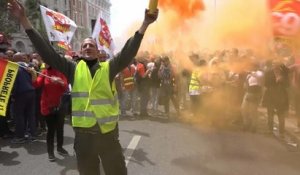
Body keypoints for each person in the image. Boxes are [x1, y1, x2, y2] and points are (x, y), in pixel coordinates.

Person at [8, 0, 158, 174]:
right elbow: (46, 52)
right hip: (84, 137)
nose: (88, 47)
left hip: (108, 135)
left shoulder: (109, 67)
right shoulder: (72, 68)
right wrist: (25, 20)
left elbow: (128, 51)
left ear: (97, 50)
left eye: (91, 45)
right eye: (84, 45)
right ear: (80, 51)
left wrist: (145, 24)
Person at [30, 64, 69, 162]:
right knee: (51, 130)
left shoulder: (61, 72)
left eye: (47, 61)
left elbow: (65, 87)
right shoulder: (44, 72)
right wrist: (33, 74)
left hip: (60, 106)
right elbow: (36, 84)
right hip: (48, 106)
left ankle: (60, 148)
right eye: (44, 62)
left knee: (60, 129)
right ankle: (50, 152)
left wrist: (59, 81)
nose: (45, 64)